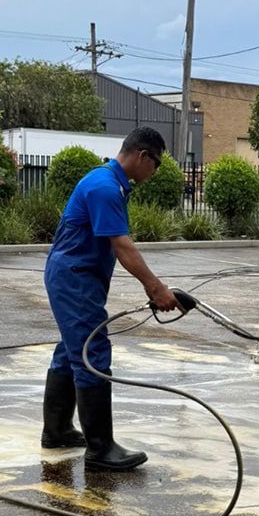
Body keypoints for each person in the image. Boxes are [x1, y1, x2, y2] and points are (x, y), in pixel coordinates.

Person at [42, 127, 180, 471]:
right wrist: (156, 288)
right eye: (157, 164)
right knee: (92, 351)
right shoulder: (104, 187)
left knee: (72, 350)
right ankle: (101, 449)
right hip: (74, 278)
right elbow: (122, 246)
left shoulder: (110, 183)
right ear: (143, 156)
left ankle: (57, 430)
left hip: (76, 277)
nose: (155, 171)